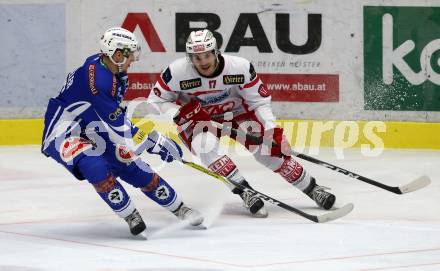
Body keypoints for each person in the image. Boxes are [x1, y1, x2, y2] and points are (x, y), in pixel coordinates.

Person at [147, 29, 336, 217]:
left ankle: (312, 188)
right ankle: (245, 191)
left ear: (215, 51)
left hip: (237, 114)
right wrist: (180, 113)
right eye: (197, 57)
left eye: (206, 55)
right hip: (198, 121)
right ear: (190, 58)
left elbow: (259, 101)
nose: (203, 61)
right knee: (205, 145)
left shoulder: (240, 67)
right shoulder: (176, 72)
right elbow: (154, 102)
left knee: (267, 151)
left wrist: (272, 130)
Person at [41, 27, 203, 236]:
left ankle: (179, 208)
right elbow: (121, 130)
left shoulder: (108, 67)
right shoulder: (98, 81)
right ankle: (130, 214)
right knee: (94, 165)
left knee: (131, 164)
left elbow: (115, 119)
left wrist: (147, 141)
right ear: (117, 54)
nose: (133, 60)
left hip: (93, 126)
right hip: (64, 132)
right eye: (130, 55)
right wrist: (156, 142)